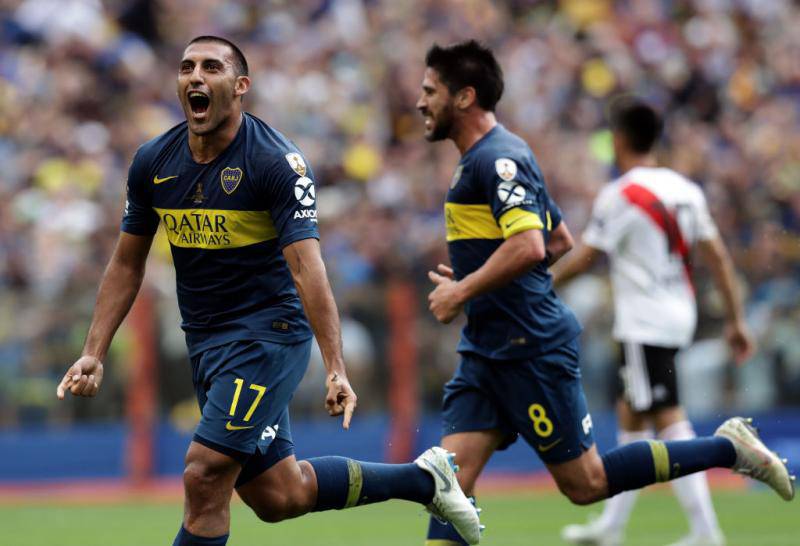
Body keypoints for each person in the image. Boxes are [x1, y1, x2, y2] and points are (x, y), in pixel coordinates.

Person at [56, 36, 481, 546]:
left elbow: (307, 269)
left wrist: (335, 365)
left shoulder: (276, 162)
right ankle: (425, 479)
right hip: (207, 342)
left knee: (204, 474)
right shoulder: (153, 161)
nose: (195, 76)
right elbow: (127, 262)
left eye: (211, 67)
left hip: (267, 337)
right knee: (280, 496)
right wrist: (94, 351)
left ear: (240, 86)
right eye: (187, 67)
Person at [415, 40, 795, 546]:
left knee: (587, 483)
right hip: (487, 348)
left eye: (430, 91)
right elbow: (559, 240)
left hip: (529, 349)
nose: (420, 102)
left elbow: (532, 245)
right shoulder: (493, 156)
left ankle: (728, 450)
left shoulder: (499, 158)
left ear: (464, 97)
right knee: (449, 484)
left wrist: (464, 289)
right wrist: (490, 285)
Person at [553, 97, 755, 546]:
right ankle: (611, 526)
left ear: (619, 139)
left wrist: (542, 285)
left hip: (645, 321)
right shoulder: (685, 190)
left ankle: (706, 530)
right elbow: (718, 256)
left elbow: (587, 257)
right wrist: (735, 319)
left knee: (669, 419)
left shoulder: (621, 193)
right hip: (677, 313)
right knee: (632, 414)